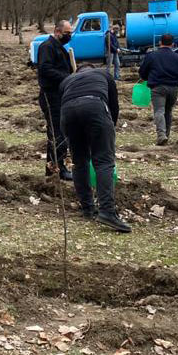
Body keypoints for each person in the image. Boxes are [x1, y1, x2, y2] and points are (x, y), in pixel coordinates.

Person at [60, 64, 130, 233]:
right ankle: (107, 211)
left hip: (67, 113)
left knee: (79, 161)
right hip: (95, 106)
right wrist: (109, 130)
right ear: (92, 69)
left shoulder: (67, 80)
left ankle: (88, 208)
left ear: (78, 72)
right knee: (103, 161)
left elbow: (60, 105)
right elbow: (113, 106)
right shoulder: (103, 73)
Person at [37, 20, 74, 181]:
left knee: (62, 132)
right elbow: (45, 69)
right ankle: (55, 170)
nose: (69, 36)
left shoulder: (60, 48)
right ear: (57, 31)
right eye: (67, 33)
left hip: (61, 95)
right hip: (50, 96)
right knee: (56, 133)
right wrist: (67, 77)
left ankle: (57, 166)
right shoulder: (47, 47)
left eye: (70, 33)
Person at [139, 33, 178, 145]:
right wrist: (177, 83)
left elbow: (142, 72)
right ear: (173, 44)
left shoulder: (152, 56)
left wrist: (148, 79)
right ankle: (167, 134)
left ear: (160, 42)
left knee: (159, 111)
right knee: (168, 111)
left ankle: (161, 135)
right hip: (173, 88)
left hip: (158, 87)